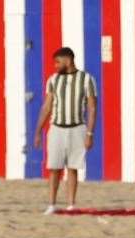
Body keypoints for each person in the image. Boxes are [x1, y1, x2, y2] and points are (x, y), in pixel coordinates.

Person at [33, 47, 97, 215]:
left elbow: (92, 108)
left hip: (78, 128)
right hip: (56, 129)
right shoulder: (53, 80)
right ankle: (52, 204)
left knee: (73, 168)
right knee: (54, 167)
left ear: (68, 60)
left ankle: (71, 205)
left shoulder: (86, 79)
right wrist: (38, 130)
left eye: (58, 62)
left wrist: (90, 134)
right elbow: (47, 106)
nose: (55, 66)